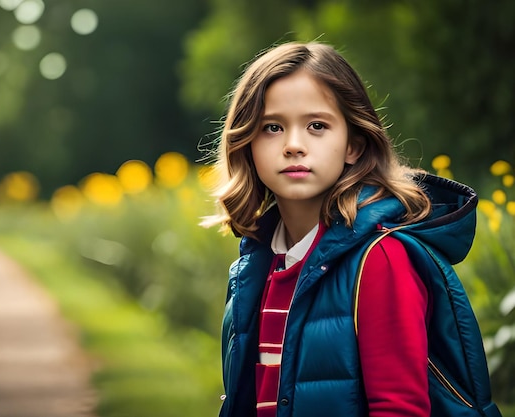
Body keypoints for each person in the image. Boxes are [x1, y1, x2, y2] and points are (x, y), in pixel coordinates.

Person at [202, 41, 496, 417]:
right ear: (247, 143)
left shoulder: (382, 260)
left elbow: (399, 409)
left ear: (353, 145)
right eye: (272, 127)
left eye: (317, 126)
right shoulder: (256, 264)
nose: (294, 145)